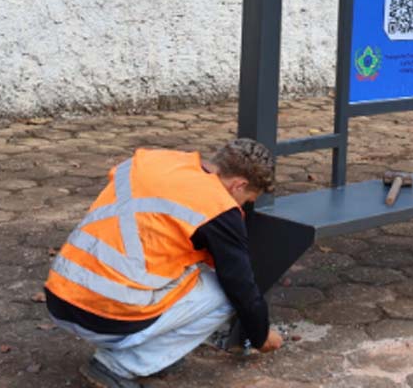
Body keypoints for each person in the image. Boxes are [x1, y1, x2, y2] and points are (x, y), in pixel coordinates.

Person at [44, 139, 283, 388]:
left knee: (180, 268)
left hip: (60, 297)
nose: (242, 206)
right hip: (104, 316)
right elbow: (242, 288)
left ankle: (148, 352)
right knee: (224, 294)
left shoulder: (152, 160)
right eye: (247, 199)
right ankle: (117, 366)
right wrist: (261, 336)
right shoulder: (219, 209)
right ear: (238, 185)